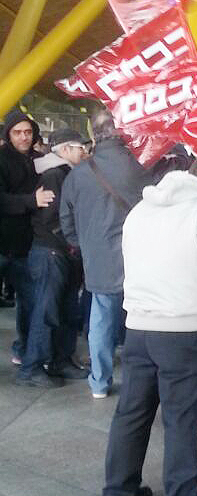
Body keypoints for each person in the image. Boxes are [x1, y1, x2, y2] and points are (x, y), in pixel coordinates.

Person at [103, 155, 197, 496]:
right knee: (180, 418)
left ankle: (119, 488)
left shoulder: (141, 210)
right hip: (185, 329)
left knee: (131, 414)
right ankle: (181, 491)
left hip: (138, 326)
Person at [60, 111, 150, 398]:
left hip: (98, 259)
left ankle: (99, 381)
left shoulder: (78, 174)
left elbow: (66, 220)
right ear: (122, 131)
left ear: (94, 135)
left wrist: (85, 245)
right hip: (140, 257)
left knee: (101, 321)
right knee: (143, 322)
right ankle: (142, 384)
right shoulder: (141, 165)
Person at [16, 129, 89, 387]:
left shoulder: (64, 173)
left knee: (67, 310)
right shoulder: (54, 175)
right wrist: (71, 241)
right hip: (51, 251)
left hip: (61, 251)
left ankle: (61, 359)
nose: (85, 152)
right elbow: (52, 218)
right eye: (81, 147)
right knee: (46, 312)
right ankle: (31, 367)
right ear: (66, 149)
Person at [0, 109, 53, 365]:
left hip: (26, 246)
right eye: (18, 132)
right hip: (3, 243)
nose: (23, 137)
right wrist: (31, 201)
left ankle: (24, 349)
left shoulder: (39, 160)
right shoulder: (1, 159)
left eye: (28, 132)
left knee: (30, 303)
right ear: (8, 134)